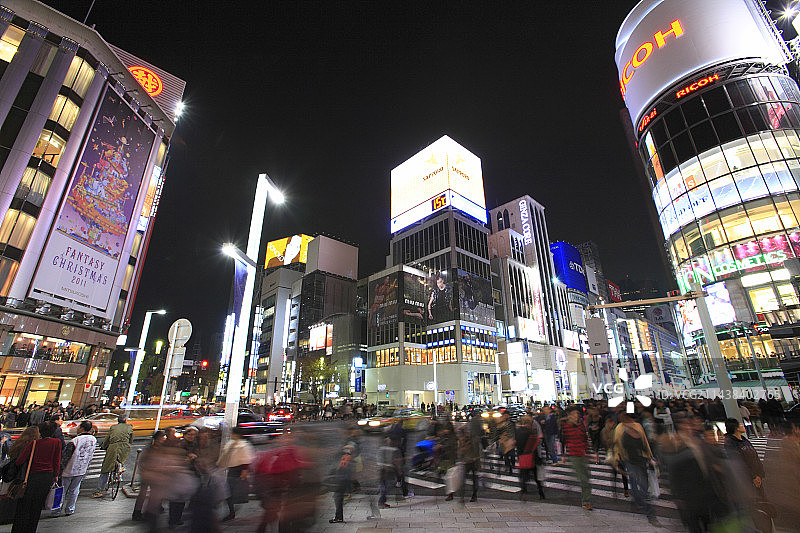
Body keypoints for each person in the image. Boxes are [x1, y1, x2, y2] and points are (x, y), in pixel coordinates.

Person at [12, 421, 61, 532]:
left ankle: (19, 529)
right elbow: (56, 460)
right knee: (37, 505)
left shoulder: (34, 443)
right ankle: (31, 528)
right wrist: (56, 475)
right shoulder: (56, 442)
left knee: (24, 504)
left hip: (32, 476)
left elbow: (20, 461)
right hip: (46, 477)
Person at [614, 413, 660, 526]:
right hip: (629, 461)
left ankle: (636, 501)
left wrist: (650, 457)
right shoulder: (620, 429)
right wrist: (617, 458)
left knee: (640, 484)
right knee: (642, 487)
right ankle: (651, 515)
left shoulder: (638, 427)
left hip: (642, 460)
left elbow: (645, 443)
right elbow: (616, 444)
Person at [57, 420, 96, 516]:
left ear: (82, 428)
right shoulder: (93, 439)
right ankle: (70, 509)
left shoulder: (75, 440)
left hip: (69, 468)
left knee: (62, 490)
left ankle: (57, 510)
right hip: (82, 468)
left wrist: (60, 469)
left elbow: (66, 456)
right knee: (74, 490)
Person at [218, 427, 255, 521]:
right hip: (231, 469)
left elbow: (246, 459)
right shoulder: (231, 443)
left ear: (236, 434)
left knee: (231, 491)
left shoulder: (244, 445)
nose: (230, 435)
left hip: (239, 470)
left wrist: (244, 472)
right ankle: (232, 511)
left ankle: (232, 511)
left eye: (232, 433)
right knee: (228, 491)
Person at [92, 415, 133, 498]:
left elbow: (108, 438)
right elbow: (131, 439)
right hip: (125, 447)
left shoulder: (113, 427)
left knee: (105, 469)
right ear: (125, 420)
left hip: (113, 447)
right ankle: (120, 469)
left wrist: (103, 446)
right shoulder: (129, 427)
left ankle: (100, 490)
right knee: (121, 460)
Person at [723, 417, 765, 498]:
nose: (743, 425)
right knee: (756, 500)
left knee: (762, 498)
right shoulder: (730, 443)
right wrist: (753, 476)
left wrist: (759, 473)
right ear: (736, 428)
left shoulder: (744, 439)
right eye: (740, 424)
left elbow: (755, 456)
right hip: (748, 479)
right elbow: (739, 463)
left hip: (756, 476)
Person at [562, 406, 592, 510]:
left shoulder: (581, 425)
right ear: (569, 415)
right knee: (584, 480)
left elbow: (585, 438)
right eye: (575, 414)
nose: (577, 416)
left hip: (582, 453)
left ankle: (585, 499)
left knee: (587, 477)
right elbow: (563, 441)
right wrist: (563, 455)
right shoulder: (565, 426)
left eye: (577, 414)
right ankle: (586, 502)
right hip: (574, 454)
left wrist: (588, 451)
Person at [132, 430, 166, 522]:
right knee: (143, 494)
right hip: (148, 475)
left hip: (154, 475)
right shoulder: (150, 449)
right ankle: (138, 513)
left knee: (153, 494)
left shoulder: (160, 449)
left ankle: (150, 511)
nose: (163, 440)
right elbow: (142, 462)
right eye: (162, 438)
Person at [515, 415, 545, 499]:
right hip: (532, 456)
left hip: (523, 456)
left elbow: (517, 443)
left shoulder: (518, 432)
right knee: (536, 476)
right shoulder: (531, 432)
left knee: (523, 475)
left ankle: (523, 491)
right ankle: (541, 492)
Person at [329, 444, 354, 523]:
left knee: (338, 501)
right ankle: (339, 517)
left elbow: (345, 474)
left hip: (340, 484)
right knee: (338, 501)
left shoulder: (347, 460)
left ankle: (338, 518)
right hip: (341, 483)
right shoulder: (348, 458)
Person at [456, 424, 481, 502]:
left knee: (474, 480)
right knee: (463, 480)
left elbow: (479, 451)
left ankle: (474, 495)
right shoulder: (462, 440)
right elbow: (459, 452)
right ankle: (462, 496)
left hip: (474, 462)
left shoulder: (475, 440)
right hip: (466, 462)